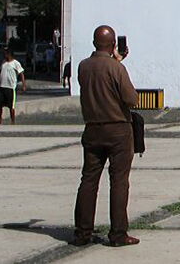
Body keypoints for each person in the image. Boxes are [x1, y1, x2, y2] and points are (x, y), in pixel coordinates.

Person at [72, 25, 140, 248]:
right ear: (113, 45)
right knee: (119, 181)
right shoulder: (116, 68)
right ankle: (118, 233)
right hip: (117, 130)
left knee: (88, 180)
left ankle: (83, 232)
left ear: (94, 43)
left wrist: (114, 61)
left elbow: (97, 83)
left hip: (92, 129)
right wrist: (117, 62)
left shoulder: (83, 66)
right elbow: (131, 99)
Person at [0, 47, 26, 125]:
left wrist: (23, 85)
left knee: (11, 107)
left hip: (11, 88)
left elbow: (21, 74)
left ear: (9, 54)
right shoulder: (3, 62)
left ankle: (12, 121)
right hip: (2, 87)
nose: (4, 55)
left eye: (5, 54)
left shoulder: (16, 63)